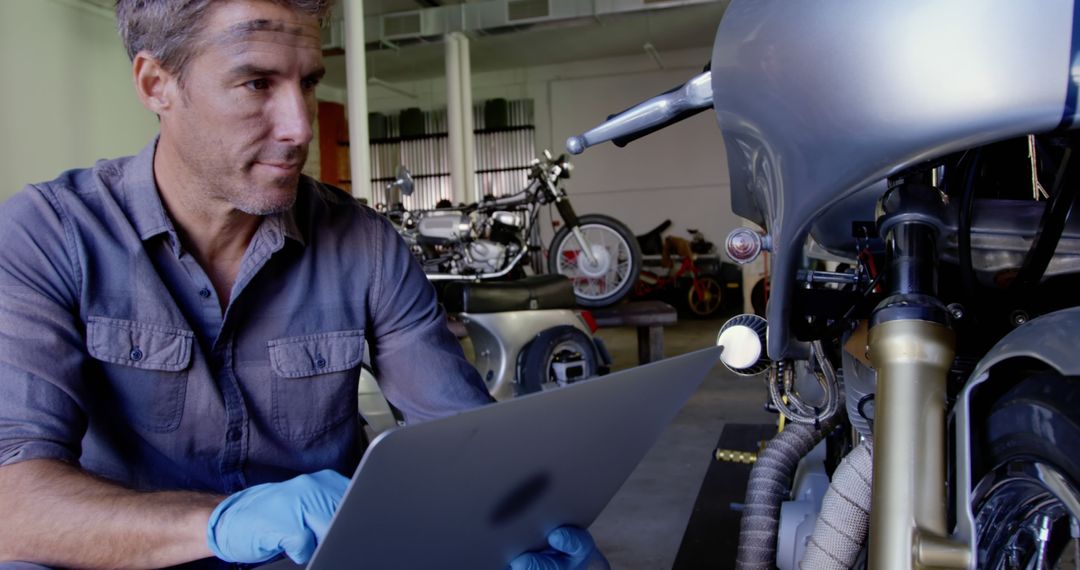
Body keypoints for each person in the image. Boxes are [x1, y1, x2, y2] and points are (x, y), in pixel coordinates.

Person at [0, 1, 604, 568]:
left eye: (309, 82)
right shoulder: (50, 236)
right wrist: (217, 524)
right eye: (257, 83)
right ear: (157, 84)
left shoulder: (362, 243)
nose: (299, 128)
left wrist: (525, 518)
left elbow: (460, 437)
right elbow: (12, 500)